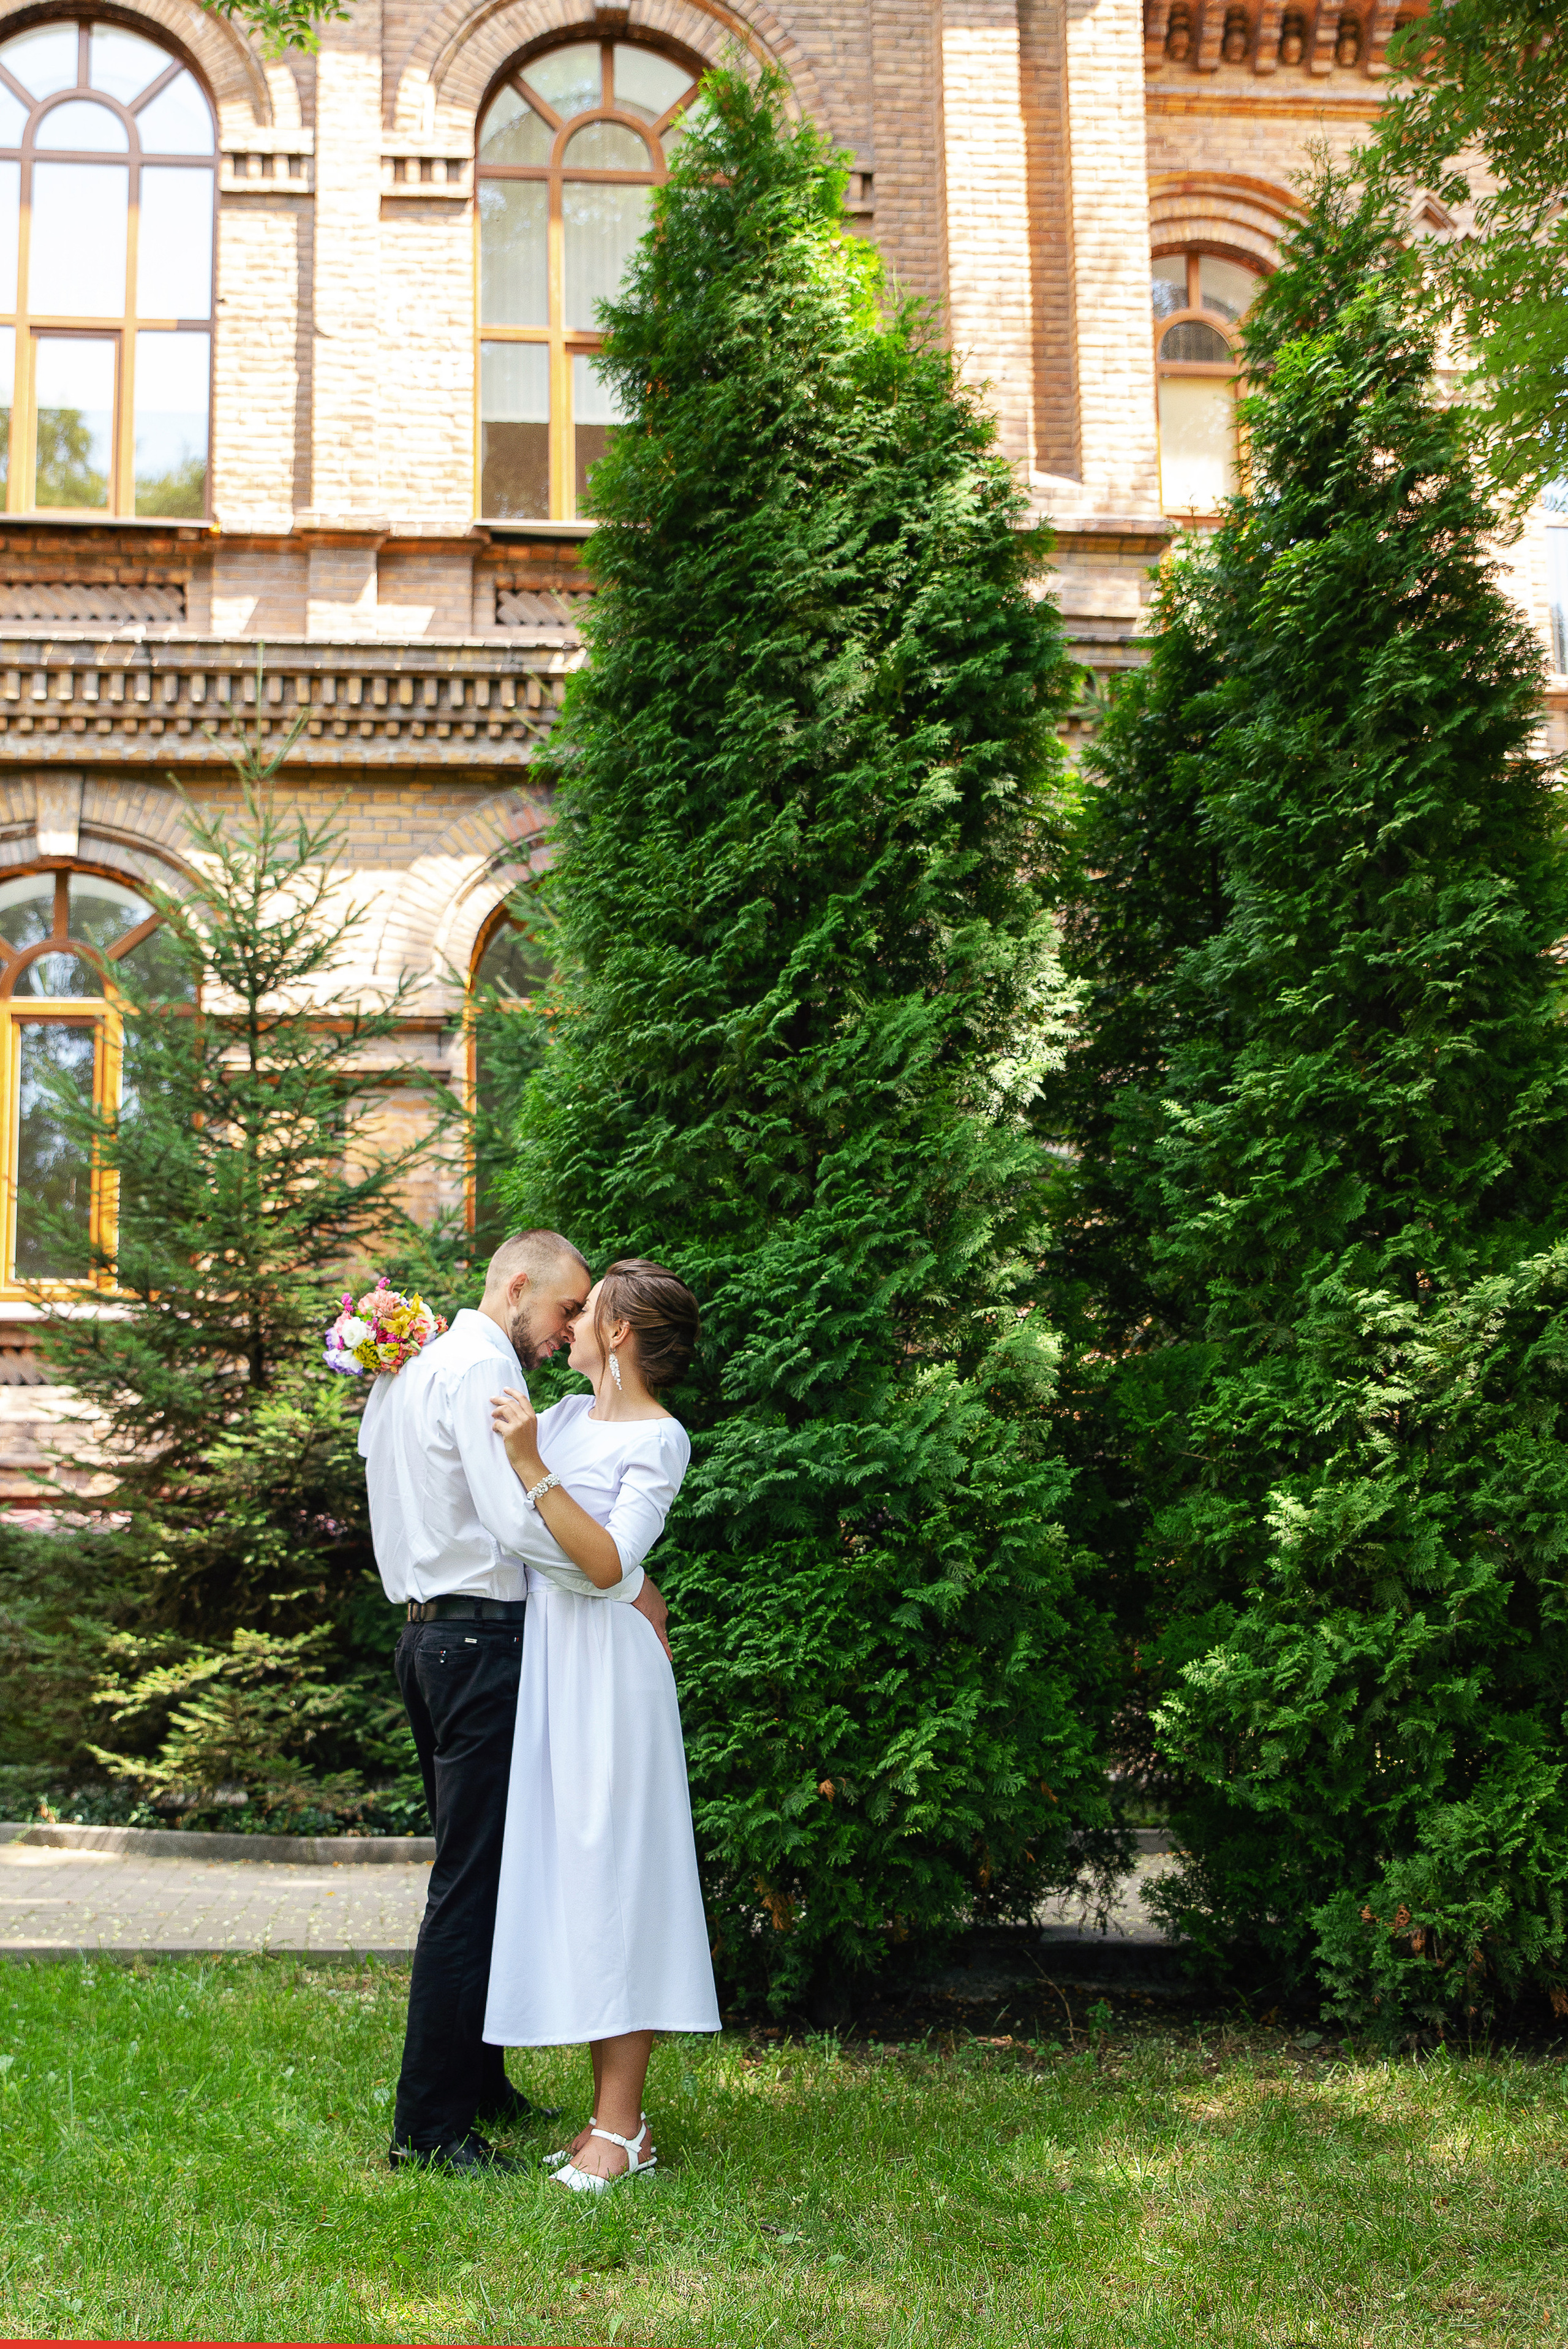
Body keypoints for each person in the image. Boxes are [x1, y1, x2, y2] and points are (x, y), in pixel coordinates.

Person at [358, 1228, 673, 2175]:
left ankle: (480, 2078)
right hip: (478, 1640)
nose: (569, 1327)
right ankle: (431, 2126)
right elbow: (510, 1515)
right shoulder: (482, 1367)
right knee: (471, 1882)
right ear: (520, 1284)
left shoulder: (414, 1365)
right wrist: (615, 1577)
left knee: (489, 1874)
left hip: (422, 1634)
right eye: (567, 1307)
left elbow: (382, 1477)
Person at [483, 1257, 721, 2190]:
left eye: (588, 1312)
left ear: (619, 1333)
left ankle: (624, 2131)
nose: (571, 1321)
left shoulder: (661, 1440)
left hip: (612, 1679)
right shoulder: (573, 1416)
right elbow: (586, 1558)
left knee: (616, 1873)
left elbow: (608, 1555)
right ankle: (605, 2120)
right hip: (560, 1663)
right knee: (579, 1875)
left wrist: (535, 1469)